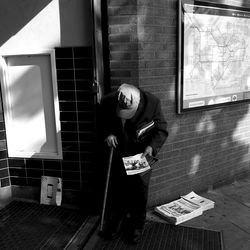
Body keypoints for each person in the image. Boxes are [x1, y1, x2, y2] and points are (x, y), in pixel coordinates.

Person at [99, 83, 168, 244]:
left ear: (137, 103)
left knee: (139, 189)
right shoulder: (108, 100)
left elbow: (161, 129)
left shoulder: (152, 103)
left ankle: (137, 225)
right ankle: (117, 221)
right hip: (117, 152)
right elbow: (102, 120)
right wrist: (108, 133)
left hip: (139, 154)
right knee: (118, 188)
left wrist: (151, 147)